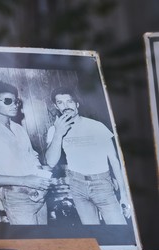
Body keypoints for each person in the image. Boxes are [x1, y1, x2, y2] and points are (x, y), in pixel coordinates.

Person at [0, 81, 52, 225]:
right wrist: (25, 180)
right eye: (8, 101)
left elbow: (33, 159)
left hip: (38, 194)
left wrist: (41, 183)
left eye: (16, 101)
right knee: (29, 245)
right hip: (16, 196)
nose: (14, 105)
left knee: (43, 242)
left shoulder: (18, 128)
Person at [45, 86, 131, 225]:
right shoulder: (54, 130)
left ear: (77, 104)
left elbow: (115, 161)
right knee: (93, 231)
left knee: (119, 227)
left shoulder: (97, 126)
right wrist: (58, 134)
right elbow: (50, 162)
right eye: (60, 102)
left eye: (69, 101)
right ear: (56, 106)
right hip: (76, 184)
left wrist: (124, 194)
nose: (66, 106)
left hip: (102, 184)